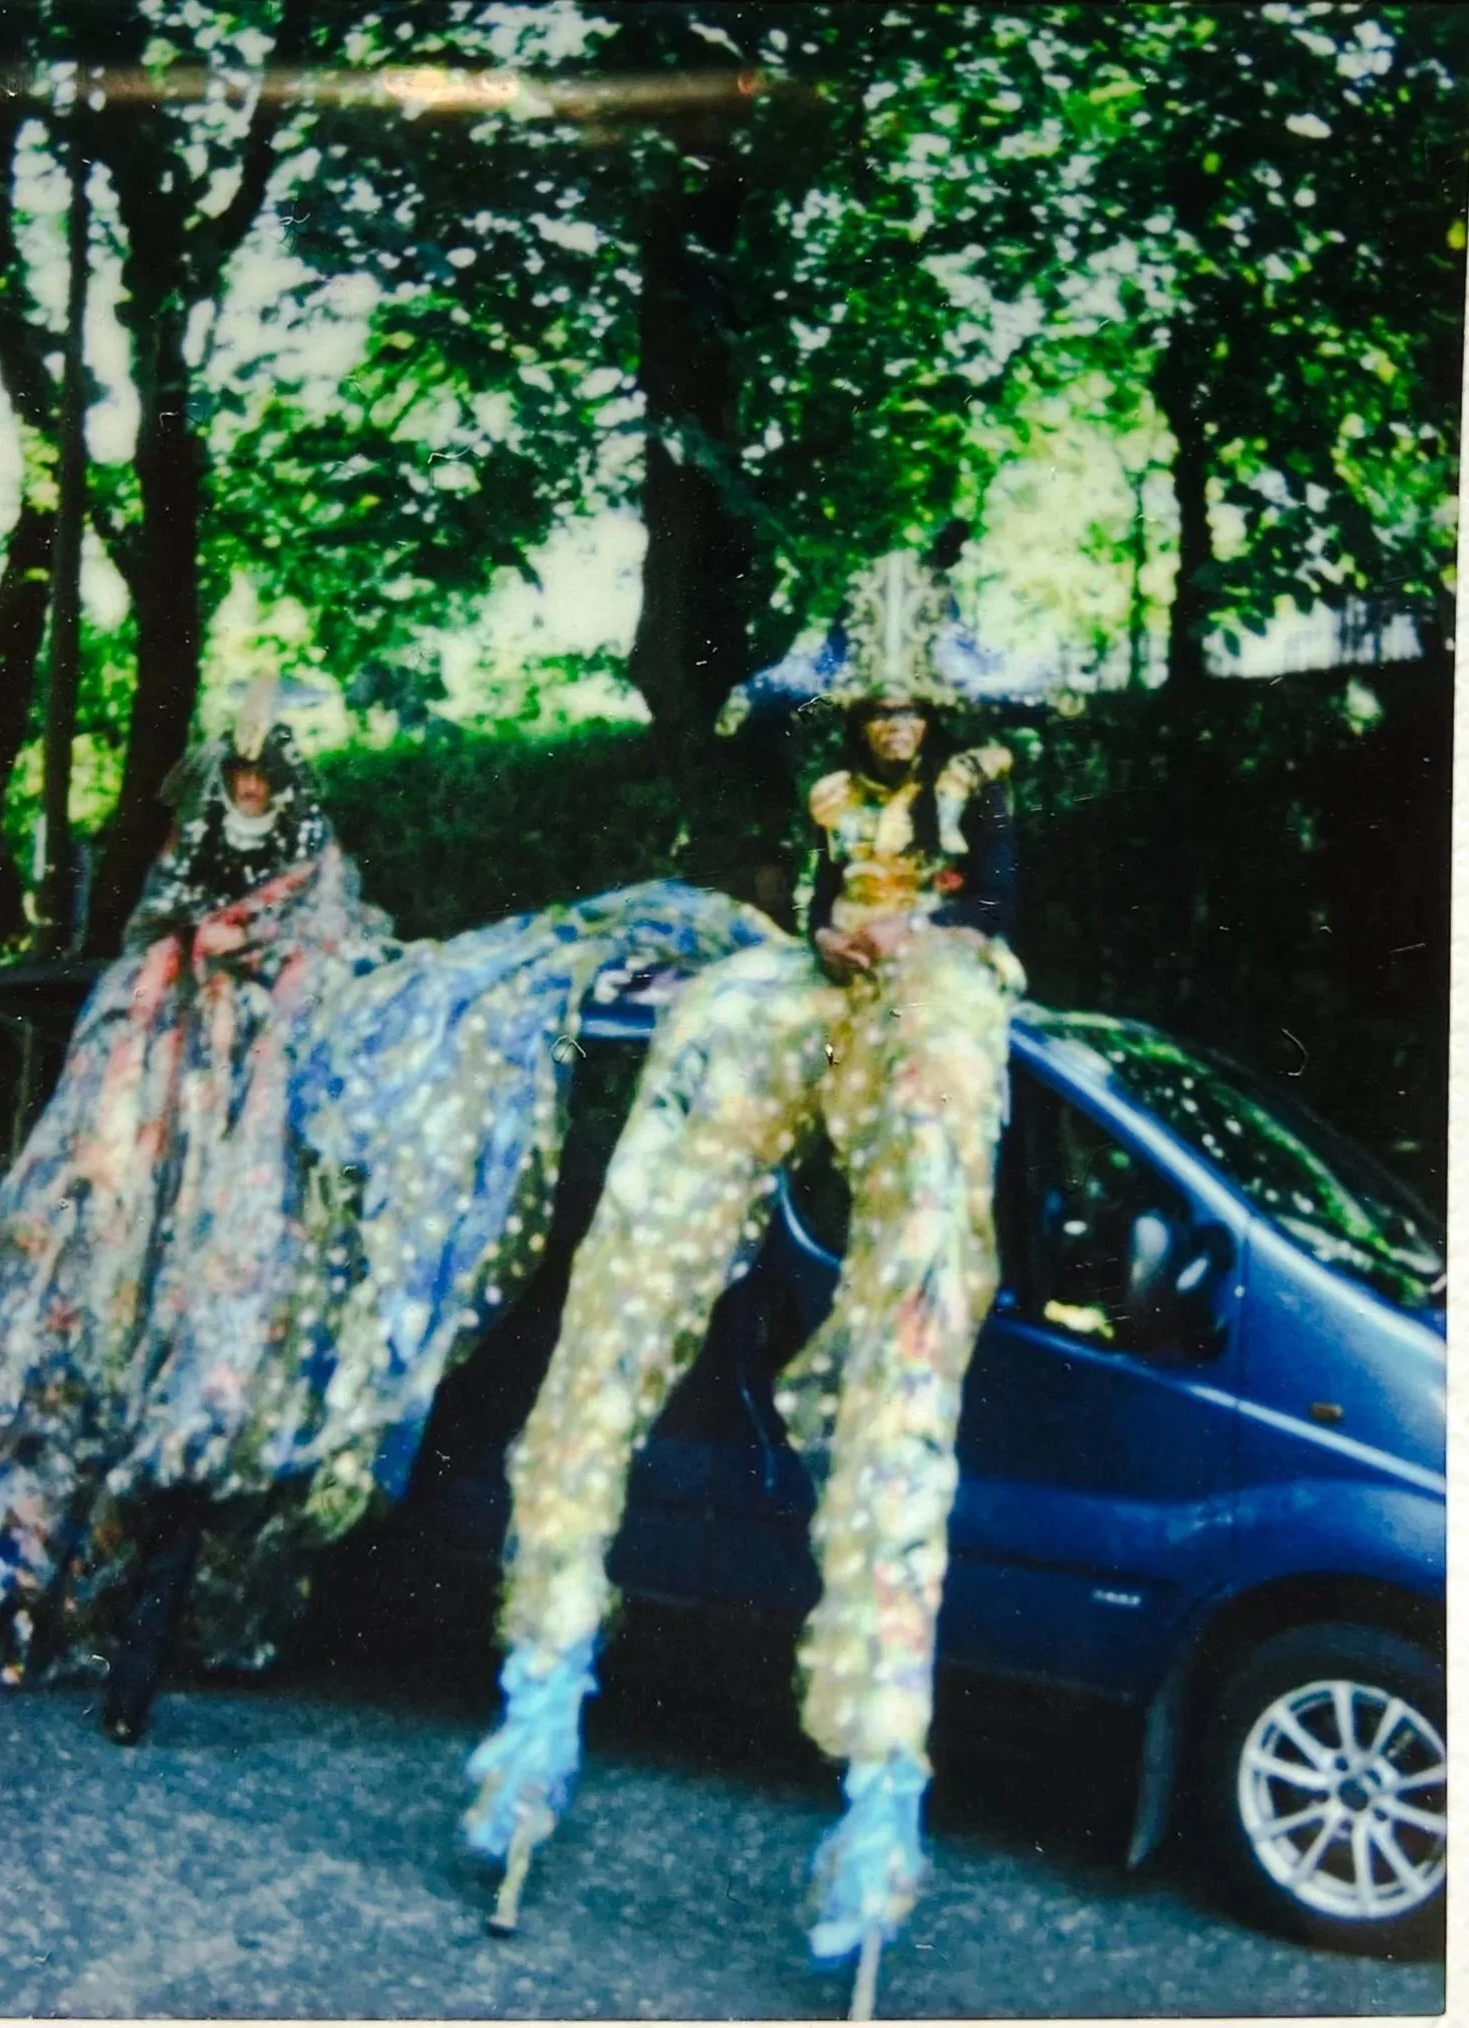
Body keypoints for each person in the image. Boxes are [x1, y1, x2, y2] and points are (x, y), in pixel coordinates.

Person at [460, 549, 1026, 2013]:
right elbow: (816, 896)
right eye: (877, 709)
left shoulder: (975, 788)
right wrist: (837, 934)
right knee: (632, 1264)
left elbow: (987, 905)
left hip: (930, 1007)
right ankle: (538, 1697)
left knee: (912, 1315)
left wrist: (927, 943)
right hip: (811, 991)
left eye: (916, 707)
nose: (897, 728)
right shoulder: (831, 801)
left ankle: (880, 1777)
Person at [0, 681, 399, 1738]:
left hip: (253, 1115)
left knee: (221, 1350)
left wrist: (258, 968)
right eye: (239, 767)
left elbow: (336, 954)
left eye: (266, 769)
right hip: (168, 1103)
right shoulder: (192, 845)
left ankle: (167, 1623)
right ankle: (66, 1592)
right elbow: (146, 945)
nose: (250, 782)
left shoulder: (316, 860)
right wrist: (183, 964)